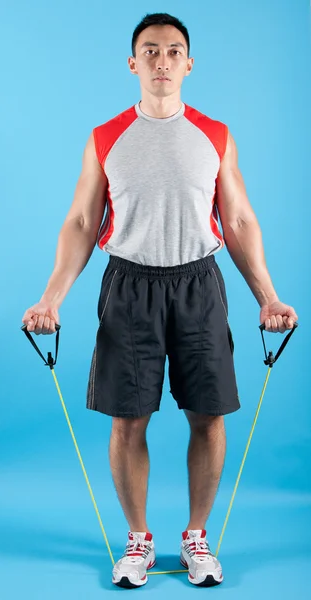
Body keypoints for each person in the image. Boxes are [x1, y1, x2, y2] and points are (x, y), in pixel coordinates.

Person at [22, 12, 298, 590]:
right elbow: (80, 220)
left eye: (174, 51)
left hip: (199, 283)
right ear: (133, 63)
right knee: (128, 421)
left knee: (209, 415)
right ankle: (138, 540)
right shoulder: (106, 137)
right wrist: (52, 298)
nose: (163, 60)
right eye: (150, 51)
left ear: (189, 63)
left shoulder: (215, 134)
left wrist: (267, 296)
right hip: (129, 286)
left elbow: (239, 218)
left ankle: (196, 537)